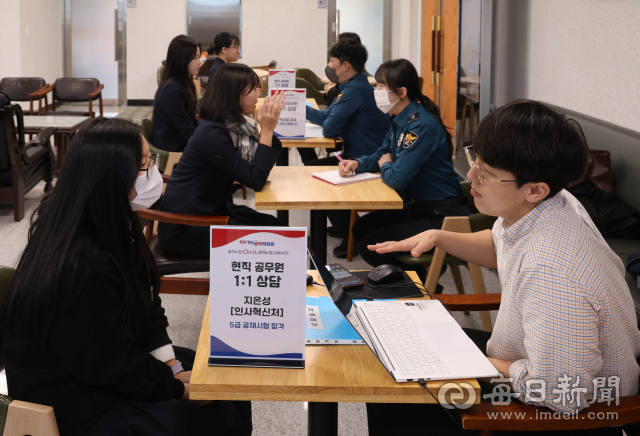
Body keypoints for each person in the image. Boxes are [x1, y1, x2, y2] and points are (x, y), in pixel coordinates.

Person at [366, 100, 640, 436]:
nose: (470, 176)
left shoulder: (551, 272)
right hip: (526, 361)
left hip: (565, 416)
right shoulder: (553, 203)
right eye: (475, 161)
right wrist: (440, 236)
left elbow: (559, 394)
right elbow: (502, 247)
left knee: (393, 387)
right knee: (392, 351)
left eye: (486, 173)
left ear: (534, 189)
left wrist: (468, 360)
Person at [0, 117, 252, 436]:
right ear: (111, 178)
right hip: (74, 401)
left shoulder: (114, 221)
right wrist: (177, 389)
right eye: (144, 166)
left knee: (223, 375)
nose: (153, 175)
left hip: (105, 364)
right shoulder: (79, 261)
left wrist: (172, 368)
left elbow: (146, 299)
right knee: (206, 417)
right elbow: (108, 364)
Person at [338, 59, 468, 267]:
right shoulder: (400, 119)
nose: (377, 90)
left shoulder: (419, 126)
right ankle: (416, 278)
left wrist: (386, 165)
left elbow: (397, 178)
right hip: (421, 206)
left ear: (401, 93)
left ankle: (423, 283)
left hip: (443, 215)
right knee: (361, 228)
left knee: (371, 247)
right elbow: (382, 154)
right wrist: (357, 163)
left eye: (381, 85)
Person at [158, 63, 286, 258]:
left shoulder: (230, 126)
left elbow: (271, 151)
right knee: (274, 242)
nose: (260, 92)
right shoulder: (213, 134)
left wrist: (265, 127)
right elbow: (255, 179)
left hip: (208, 211)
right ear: (235, 96)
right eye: (253, 88)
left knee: (281, 230)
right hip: (184, 227)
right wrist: (267, 129)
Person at [303, 41, 391, 252]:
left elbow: (328, 129)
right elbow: (327, 118)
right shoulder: (352, 86)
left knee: (316, 169)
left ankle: (351, 233)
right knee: (315, 167)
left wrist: (300, 109)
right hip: (358, 154)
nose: (329, 65)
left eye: (332, 61)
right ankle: (345, 226)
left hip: (366, 158)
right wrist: (299, 107)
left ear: (345, 66)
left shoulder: (354, 90)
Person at [153, 35, 200, 153]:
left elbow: (192, 122)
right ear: (182, 59)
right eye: (195, 58)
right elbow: (187, 130)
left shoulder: (184, 84)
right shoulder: (171, 89)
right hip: (173, 149)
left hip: (182, 142)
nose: (199, 62)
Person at [324, 32, 362, 105]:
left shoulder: (353, 84)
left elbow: (344, 104)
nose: (329, 65)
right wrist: (328, 92)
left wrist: (331, 92)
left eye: (338, 43)